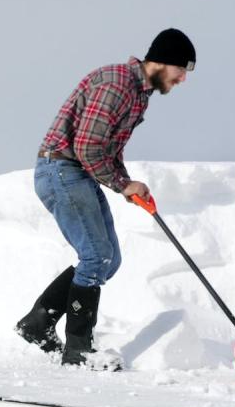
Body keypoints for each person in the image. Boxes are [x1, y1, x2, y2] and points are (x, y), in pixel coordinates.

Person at [15, 28, 196, 367]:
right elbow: (86, 146)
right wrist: (121, 184)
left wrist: (125, 183)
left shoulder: (139, 93)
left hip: (77, 173)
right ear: (161, 62)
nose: (183, 79)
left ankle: (37, 323)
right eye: (181, 70)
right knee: (95, 256)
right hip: (62, 170)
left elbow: (106, 148)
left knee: (107, 261)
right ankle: (78, 350)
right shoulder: (116, 84)